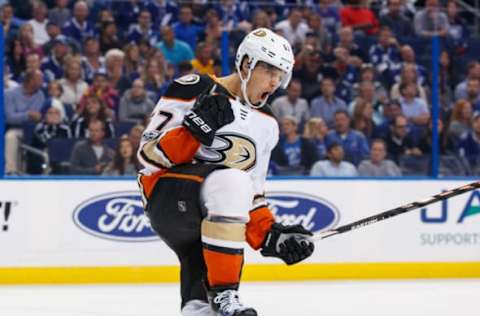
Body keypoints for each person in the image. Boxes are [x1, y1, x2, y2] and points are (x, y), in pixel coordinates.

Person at [136, 28, 314, 316]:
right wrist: (192, 132)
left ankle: (204, 303)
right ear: (246, 65)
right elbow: (148, 155)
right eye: (270, 72)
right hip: (166, 197)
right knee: (231, 178)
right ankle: (225, 293)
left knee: (200, 304)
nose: (275, 82)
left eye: (281, 75)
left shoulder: (267, 123)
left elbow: (253, 195)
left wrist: (271, 236)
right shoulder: (193, 87)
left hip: (216, 203)